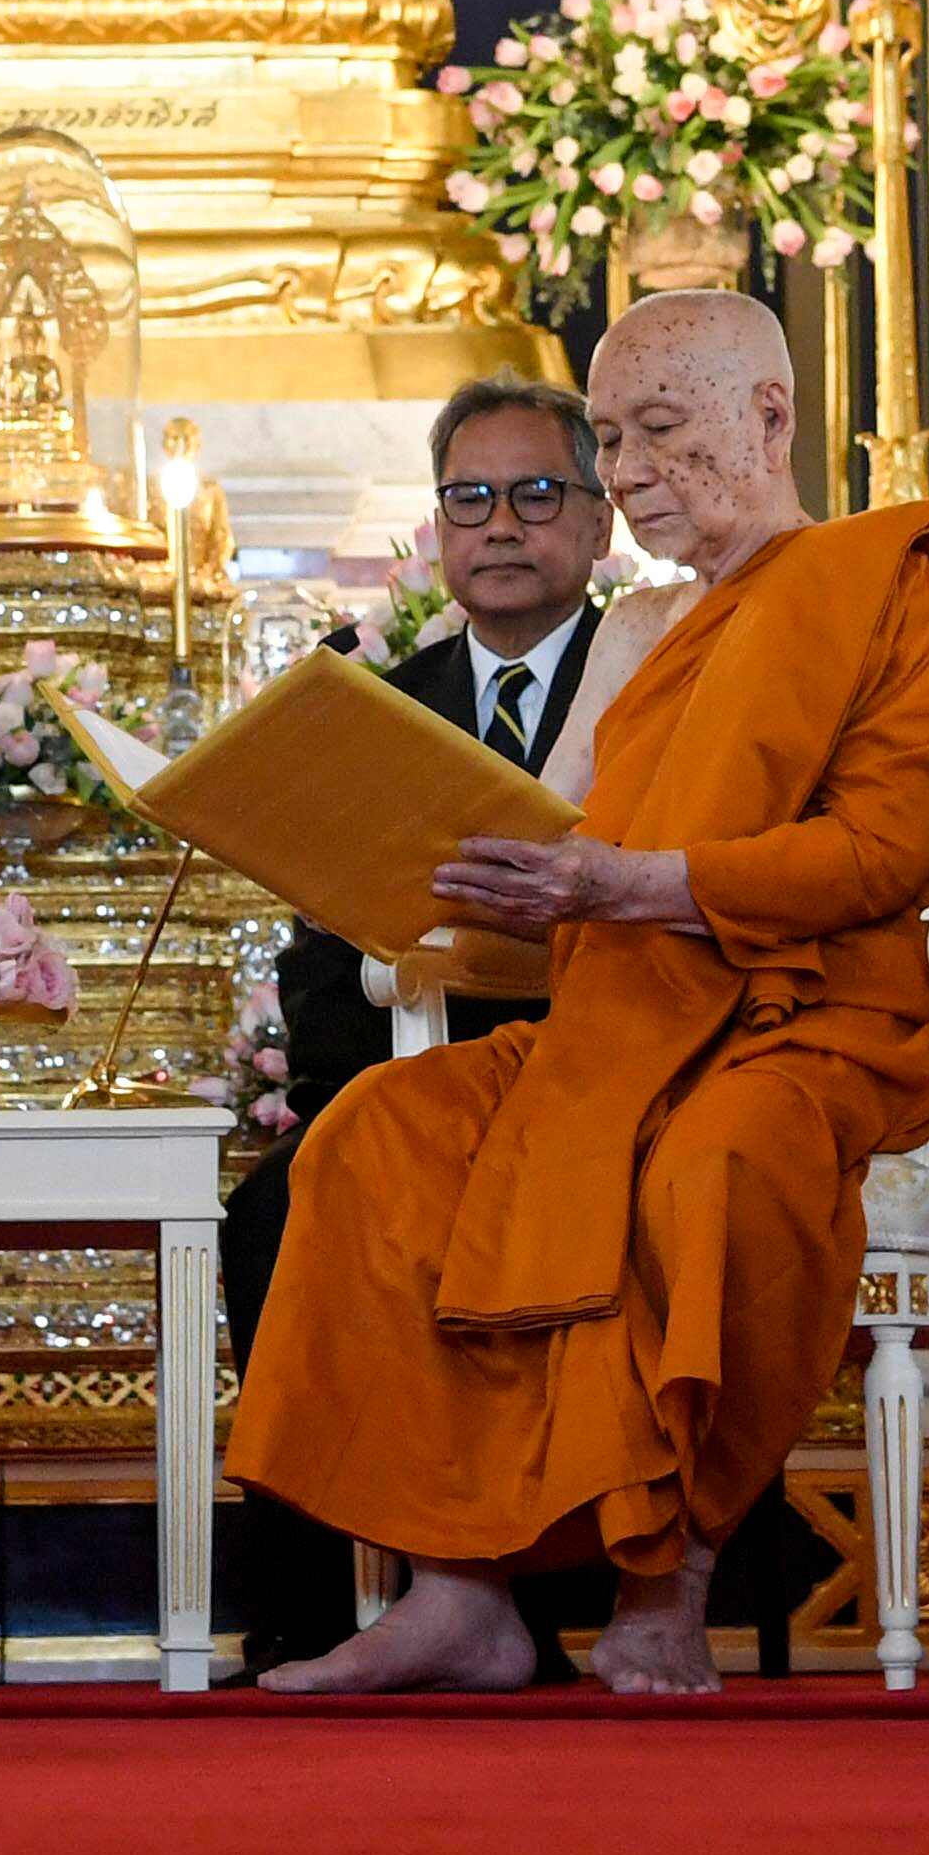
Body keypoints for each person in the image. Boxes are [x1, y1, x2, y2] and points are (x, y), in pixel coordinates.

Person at [234, 288, 929, 1696]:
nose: (635, 473)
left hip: (820, 1024)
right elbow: (595, 855)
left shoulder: (893, 578)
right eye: (614, 438)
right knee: (372, 1140)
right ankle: (458, 1591)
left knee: (715, 1164)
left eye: (659, 431)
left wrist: (621, 890)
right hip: (626, 1012)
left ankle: (674, 1575)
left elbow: (878, 854)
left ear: (770, 416)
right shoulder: (657, 637)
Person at [221, 375, 608, 1666]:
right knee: (283, 1203)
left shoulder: (651, 683)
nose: (502, 525)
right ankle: (309, 1615)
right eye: (470, 499)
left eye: (537, 494)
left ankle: (543, 1602)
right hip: (405, 1081)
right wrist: (377, 1074)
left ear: (599, 523)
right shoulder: (375, 707)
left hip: (596, 1082)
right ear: (439, 528)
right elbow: (317, 957)